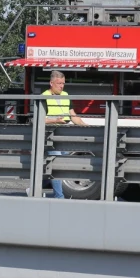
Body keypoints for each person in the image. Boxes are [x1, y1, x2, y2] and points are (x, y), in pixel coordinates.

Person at [42, 70, 82, 199]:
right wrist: (55, 121)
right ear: (51, 83)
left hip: (64, 136)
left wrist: (86, 126)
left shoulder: (65, 95)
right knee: (57, 166)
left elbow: (73, 116)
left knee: (61, 166)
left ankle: (34, 188)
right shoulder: (44, 97)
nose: (61, 86)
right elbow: (39, 119)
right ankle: (59, 197)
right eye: (59, 83)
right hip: (50, 136)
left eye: (63, 83)